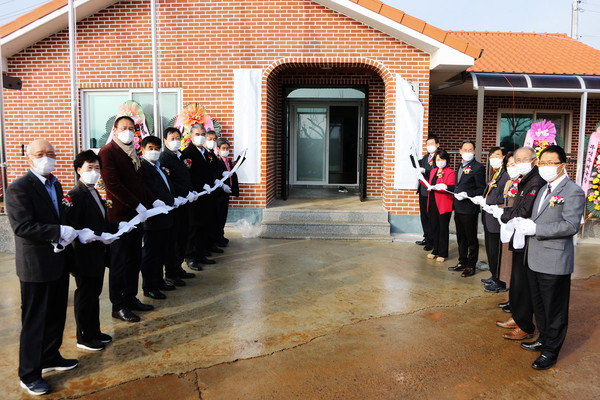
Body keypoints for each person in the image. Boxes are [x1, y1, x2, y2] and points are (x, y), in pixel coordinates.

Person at [6, 139, 78, 395]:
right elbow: (22, 227)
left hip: (57, 260)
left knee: (56, 314)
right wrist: (58, 231)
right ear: (29, 158)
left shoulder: (56, 184)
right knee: (35, 320)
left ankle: (50, 357)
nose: (46, 158)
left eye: (50, 153)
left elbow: (60, 216)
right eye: (40, 154)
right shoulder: (19, 188)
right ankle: (29, 374)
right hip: (35, 265)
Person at [516, 145, 585, 370]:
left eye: (550, 163)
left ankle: (551, 351)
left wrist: (535, 229)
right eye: (542, 163)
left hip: (554, 262)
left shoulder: (572, 191)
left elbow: (570, 225)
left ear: (562, 165)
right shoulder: (544, 189)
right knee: (540, 306)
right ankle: (544, 338)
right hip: (534, 257)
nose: (545, 167)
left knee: (554, 309)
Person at [99, 115, 159, 323]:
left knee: (134, 259)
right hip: (120, 217)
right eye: (123, 127)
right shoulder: (107, 153)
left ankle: (131, 298)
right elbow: (113, 185)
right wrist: (136, 204)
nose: (127, 131)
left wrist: (153, 201)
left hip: (137, 215)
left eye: (131, 128)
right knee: (120, 262)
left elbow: (140, 184)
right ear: (115, 130)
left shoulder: (133, 152)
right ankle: (118, 305)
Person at [495, 147, 545, 340]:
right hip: (518, 236)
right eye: (518, 159)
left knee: (523, 283)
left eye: (526, 159)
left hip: (527, 239)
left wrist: (503, 214)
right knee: (516, 282)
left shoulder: (536, 180)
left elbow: (524, 210)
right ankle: (517, 316)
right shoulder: (525, 179)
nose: (521, 162)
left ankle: (525, 325)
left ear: (533, 160)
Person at [67, 150, 114, 352]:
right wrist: (87, 234)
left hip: (97, 252)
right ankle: (83, 336)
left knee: (94, 294)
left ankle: (94, 331)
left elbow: (101, 220)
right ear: (79, 170)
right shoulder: (75, 195)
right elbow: (70, 226)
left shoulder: (94, 191)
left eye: (97, 168)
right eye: (89, 168)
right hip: (83, 255)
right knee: (85, 295)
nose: (94, 172)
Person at [139, 136, 177, 300]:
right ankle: (149, 286)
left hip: (165, 215)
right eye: (150, 148)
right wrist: (169, 200)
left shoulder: (158, 166)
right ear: (142, 149)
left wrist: (174, 197)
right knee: (151, 254)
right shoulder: (143, 167)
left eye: (156, 148)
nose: (154, 151)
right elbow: (151, 189)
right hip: (153, 219)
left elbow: (167, 186)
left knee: (161, 251)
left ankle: (159, 281)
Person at [158, 127, 196, 286]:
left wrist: (191, 190)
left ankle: (178, 267)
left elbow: (184, 177)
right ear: (165, 141)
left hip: (184, 203)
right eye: (172, 138)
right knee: (174, 239)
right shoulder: (164, 158)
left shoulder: (179, 156)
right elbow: (168, 181)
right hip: (175, 203)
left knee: (182, 236)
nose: (175, 141)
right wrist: (183, 192)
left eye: (178, 138)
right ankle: (171, 273)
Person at [448, 140, 486, 277]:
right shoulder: (460, 166)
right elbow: (458, 186)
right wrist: (446, 187)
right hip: (458, 208)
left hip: (469, 209)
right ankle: (462, 261)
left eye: (471, 150)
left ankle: (471, 265)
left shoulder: (478, 167)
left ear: (474, 151)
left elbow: (481, 188)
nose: (468, 152)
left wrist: (467, 194)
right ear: (460, 151)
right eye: (465, 150)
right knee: (461, 238)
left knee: (471, 239)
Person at [181, 124, 216, 270]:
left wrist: (214, 180)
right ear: (191, 135)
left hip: (206, 196)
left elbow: (210, 170)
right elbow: (189, 175)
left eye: (203, 133)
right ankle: (190, 257)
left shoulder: (206, 152)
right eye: (197, 134)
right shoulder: (187, 153)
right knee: (193, 228)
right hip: (195, 196)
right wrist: (201, 185)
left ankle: (201, 254)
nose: (200, 137)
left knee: (204, 226)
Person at [481, 147, 510, 293]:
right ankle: (494, 275)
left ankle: (499, 279)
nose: (494, 158)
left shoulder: (506, 175)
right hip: (488, 217)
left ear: (504, 157)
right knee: (490, 249)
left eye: (497, 155)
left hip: (497, 218)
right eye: (491, 156)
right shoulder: (496, 174)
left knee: (496, 251)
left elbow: (506, 196)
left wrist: (489, 200)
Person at [425, 149, 455, 263]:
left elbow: (450, 187)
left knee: (443, 228)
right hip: (432, 202)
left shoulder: (450, 172)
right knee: (435, 228)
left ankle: (443, 253)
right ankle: (435, 250)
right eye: (438, 159)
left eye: (442, 159)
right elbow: (430, 183)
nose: (440, 161)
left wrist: (442, 186)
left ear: (446, 160)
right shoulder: (433, 171)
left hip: (443, 203)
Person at [497, 152, 517, 312]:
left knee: (513, 265)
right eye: (508, 165)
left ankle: (515, 299)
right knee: (507, 262)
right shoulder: (509, 182)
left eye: (514, 164)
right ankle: (510, 297)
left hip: (516, 226)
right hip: (506, 225)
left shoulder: (522, 183)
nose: (511, 168)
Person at [215, 138, 240, 246]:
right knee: (218, 216)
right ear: (218, 149)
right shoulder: (217, 161)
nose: (225, 150)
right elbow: (216, 175)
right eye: (223, 148)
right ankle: (217, 238)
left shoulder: (228, 161)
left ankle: (221, 236)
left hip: (226, 192)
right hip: (219, 193)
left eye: (227, 148)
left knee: (224, 215)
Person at [417, 135, 439, 251]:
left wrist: (426, 170)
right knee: (424, 216)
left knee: (431, 217)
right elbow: (417, 165)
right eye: (427, 144)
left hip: (431, 192)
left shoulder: (439, 158)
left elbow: (437, 171)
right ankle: (426, 237)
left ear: (437, 145)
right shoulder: (426, 157)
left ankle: (432, 241)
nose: (429, 146)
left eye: (432, 143)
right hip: (422, 190)